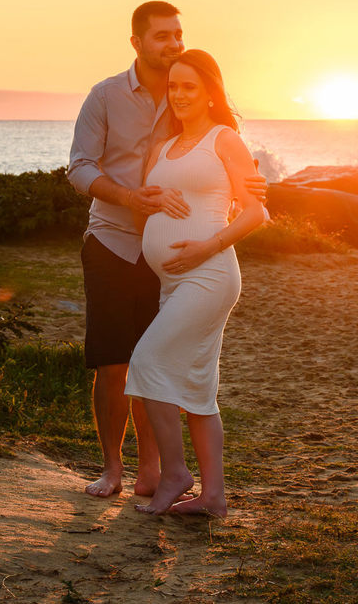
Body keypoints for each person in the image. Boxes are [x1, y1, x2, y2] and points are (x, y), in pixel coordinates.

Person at [125, 49, 266, 517]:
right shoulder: (163, 147)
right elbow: (147, 211)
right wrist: (151, 199)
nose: (179, 94)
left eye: (190, 86)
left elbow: (255, 212)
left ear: (210, 92)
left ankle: (175, 474)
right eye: (173, 86)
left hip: (210, 273)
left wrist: (207, 247)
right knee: (198, 388)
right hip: (172, 281)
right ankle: (213, 497)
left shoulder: (224, 139)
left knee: (146, 362)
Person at [67, 1, 189, 498]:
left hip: (170, 249)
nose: (174, 44)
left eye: (178, 34)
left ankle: (152, 471)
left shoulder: (190, 92)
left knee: (157, 362)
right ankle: (112, 468)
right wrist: (129, 197)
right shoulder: (105, 96)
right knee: (113, 364)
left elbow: (219, 153)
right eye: (162, 36)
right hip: (112, 244)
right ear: (137, 43)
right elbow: (80, 167)